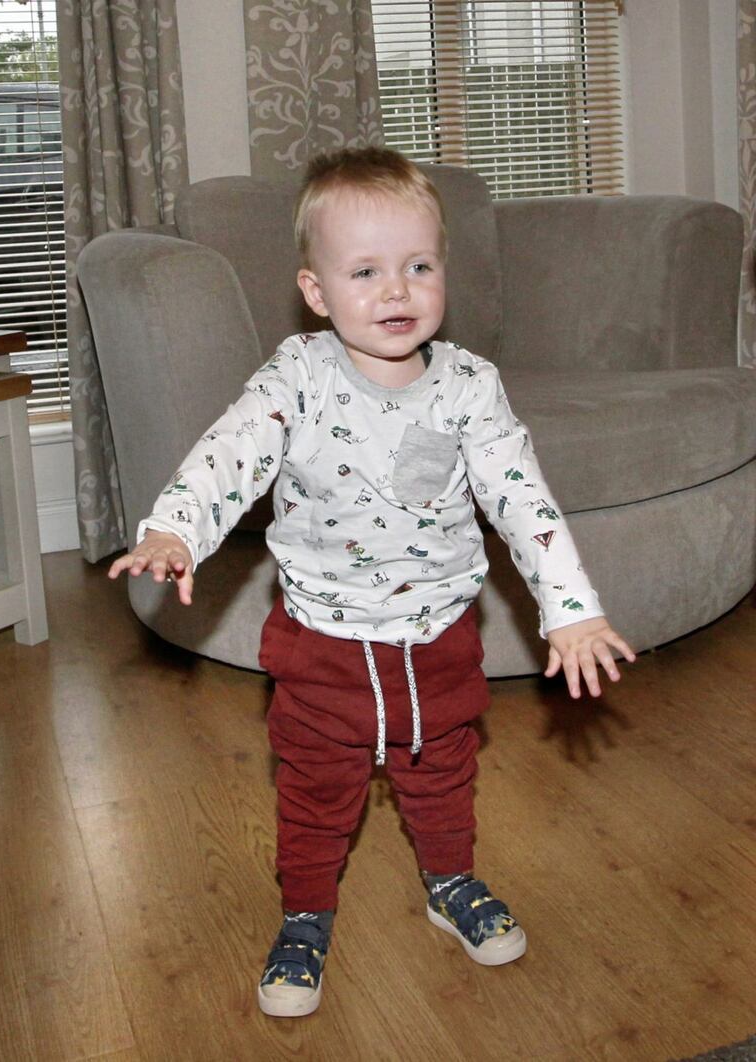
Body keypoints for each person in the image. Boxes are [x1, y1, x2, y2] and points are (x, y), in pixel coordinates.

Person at [109, 146, 635, 1019]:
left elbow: (521, 497)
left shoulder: (471, 387)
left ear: (443, 274)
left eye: (418, 266)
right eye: (365, 272)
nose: (396, 291)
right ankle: (306, 914)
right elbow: (231, 450)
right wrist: (174, 527)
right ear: (317, 292)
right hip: (323, 637)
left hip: (440, 632)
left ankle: (450, 882)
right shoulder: (302, 376)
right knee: (317, 786)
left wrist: (570, 612)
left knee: (446, 767)